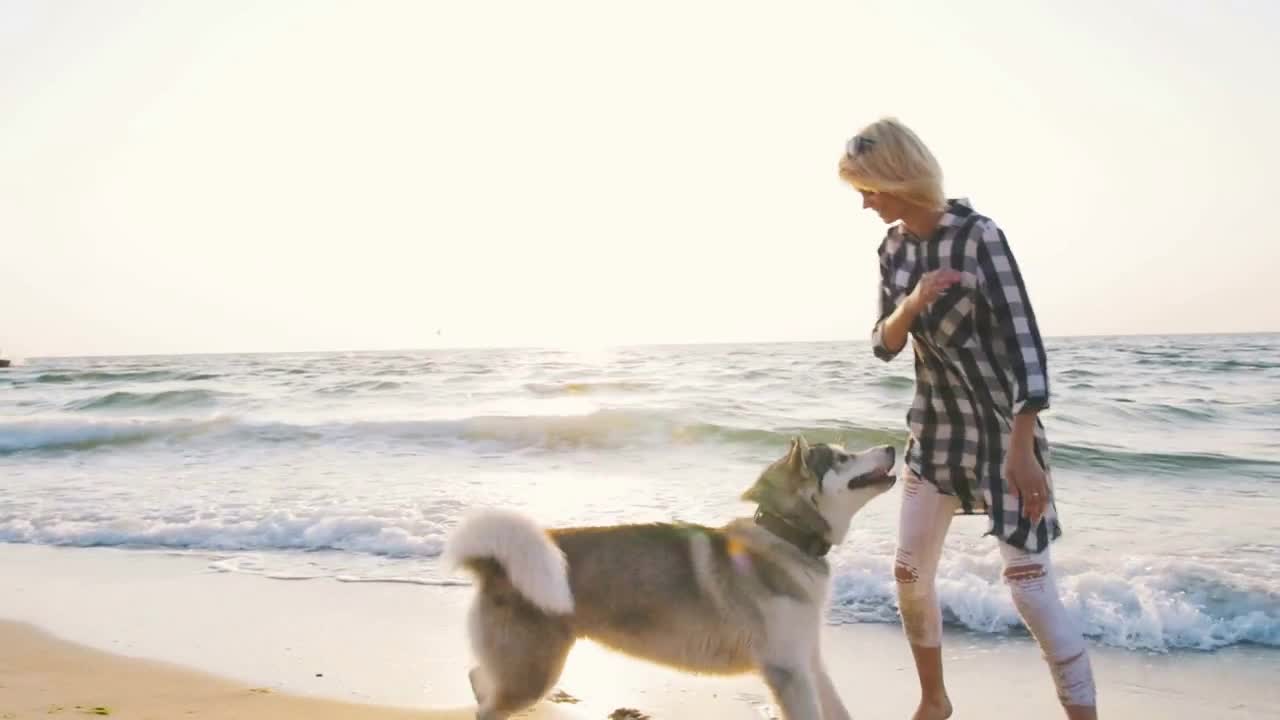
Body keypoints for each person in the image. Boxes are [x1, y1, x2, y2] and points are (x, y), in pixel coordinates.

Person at [837, 117, 1098, 720]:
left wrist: (1023, 446)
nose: (866, 204)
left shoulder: (980, 236)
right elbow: (883, 344)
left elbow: (1025, 341)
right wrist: (915, 299)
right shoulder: (893, 249)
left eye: (868, 190)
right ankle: (934, 701)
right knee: (908, 574)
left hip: (1003, 435)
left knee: (1031, 589)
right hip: (933, 433)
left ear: (896, 178)